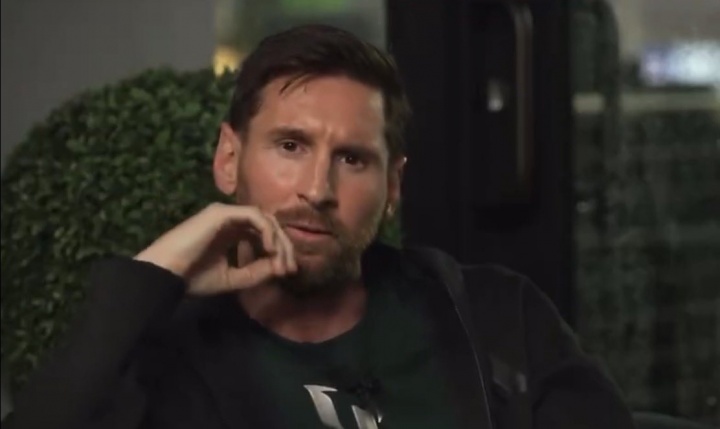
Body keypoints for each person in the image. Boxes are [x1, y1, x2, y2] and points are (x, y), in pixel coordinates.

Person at [5, 25, 634, 429]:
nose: (317, 190)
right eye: (290, 146)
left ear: (392, 187)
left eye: (352, 159)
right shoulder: (162, 361)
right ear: (229, 159)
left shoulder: (497, 317)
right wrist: (156, 273)